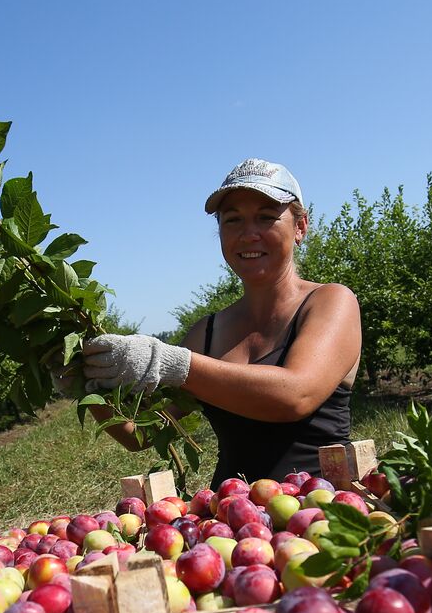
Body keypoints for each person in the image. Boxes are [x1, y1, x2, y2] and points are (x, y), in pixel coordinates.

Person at [78, 158, 362, 490]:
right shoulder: (206, 334)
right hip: (230, 519)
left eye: (266, 217)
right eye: (233, 220)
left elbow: (296, 395)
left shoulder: (330, 302)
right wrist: (86, 382)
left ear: (300, 227)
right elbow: (144, 433)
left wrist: (173, 363)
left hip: (316, 512)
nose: (248, 234)